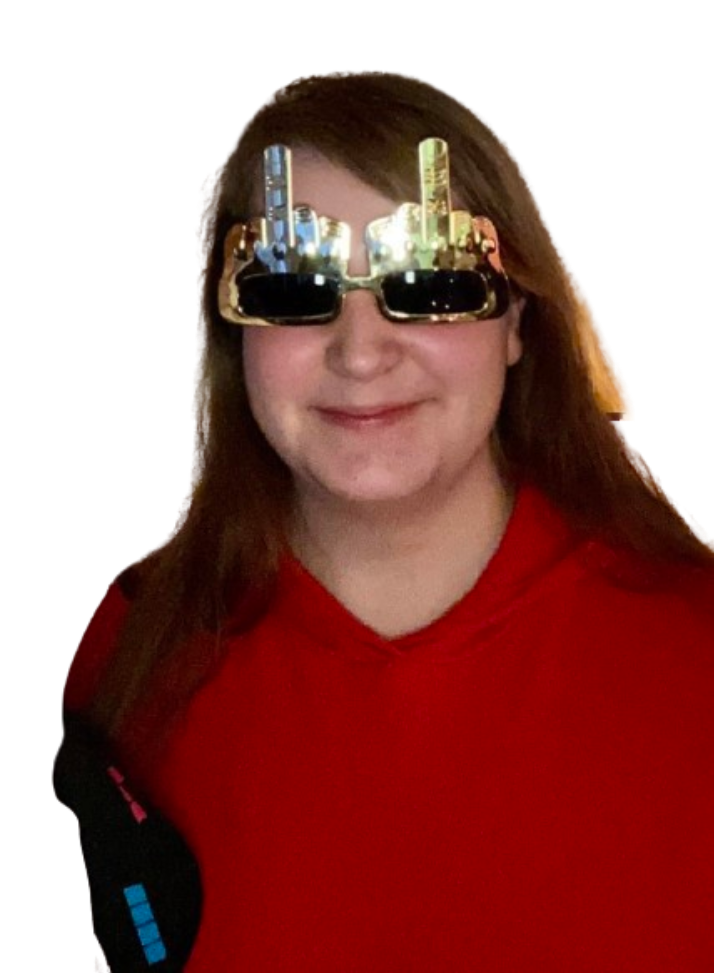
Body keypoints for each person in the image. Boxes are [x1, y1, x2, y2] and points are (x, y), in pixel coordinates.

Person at [59, 71, 713, 971]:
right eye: (293, 285)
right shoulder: (126, 659)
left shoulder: (698, 653)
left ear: (517, 320)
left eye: (430, 279)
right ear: (234, 335)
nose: (362, 351)